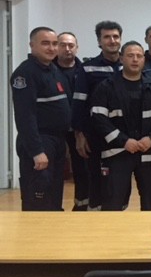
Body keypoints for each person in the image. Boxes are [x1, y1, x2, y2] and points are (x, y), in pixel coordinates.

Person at [90, 41, 151, 211]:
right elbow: (99, 118)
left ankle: (147, 229)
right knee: (113, 202)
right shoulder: (106, 87)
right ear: (121, 58)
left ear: (144, 59)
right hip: (117, 154)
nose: (135, 59)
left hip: (149, 153)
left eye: (139, 56)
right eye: (130, 56)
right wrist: (124, 141)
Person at [11, 27, 71, 211]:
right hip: (40, 141)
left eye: (54, 44)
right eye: (45, 43)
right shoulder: (25, 73)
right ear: (32, 45)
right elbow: (25, 116)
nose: (51, 48)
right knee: (38, 197)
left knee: (53, 196)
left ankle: (52, 228)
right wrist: (36, 151)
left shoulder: (53, 69)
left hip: (56, 141)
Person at [72, 20, 123, 210]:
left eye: (115, 36)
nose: (112, 40)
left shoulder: (129, 65)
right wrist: (79, 135)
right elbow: (79, 103)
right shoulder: (88, 68)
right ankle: (96, 217)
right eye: (107, 37)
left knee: (120, 183)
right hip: (96, 135)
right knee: (96, 180)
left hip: (124, 135)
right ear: (99, 41)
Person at [54, 31, 89, 211]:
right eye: (63, 45)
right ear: (56, 47)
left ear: (77, 48)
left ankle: (81, 206)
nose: (67, 49)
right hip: (54, 131)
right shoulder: (48, 71)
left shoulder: (85, 71)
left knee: (82, 169)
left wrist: (80, 130)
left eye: (71, 45)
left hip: (80, 129)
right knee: (53, 170)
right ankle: (53, 208)